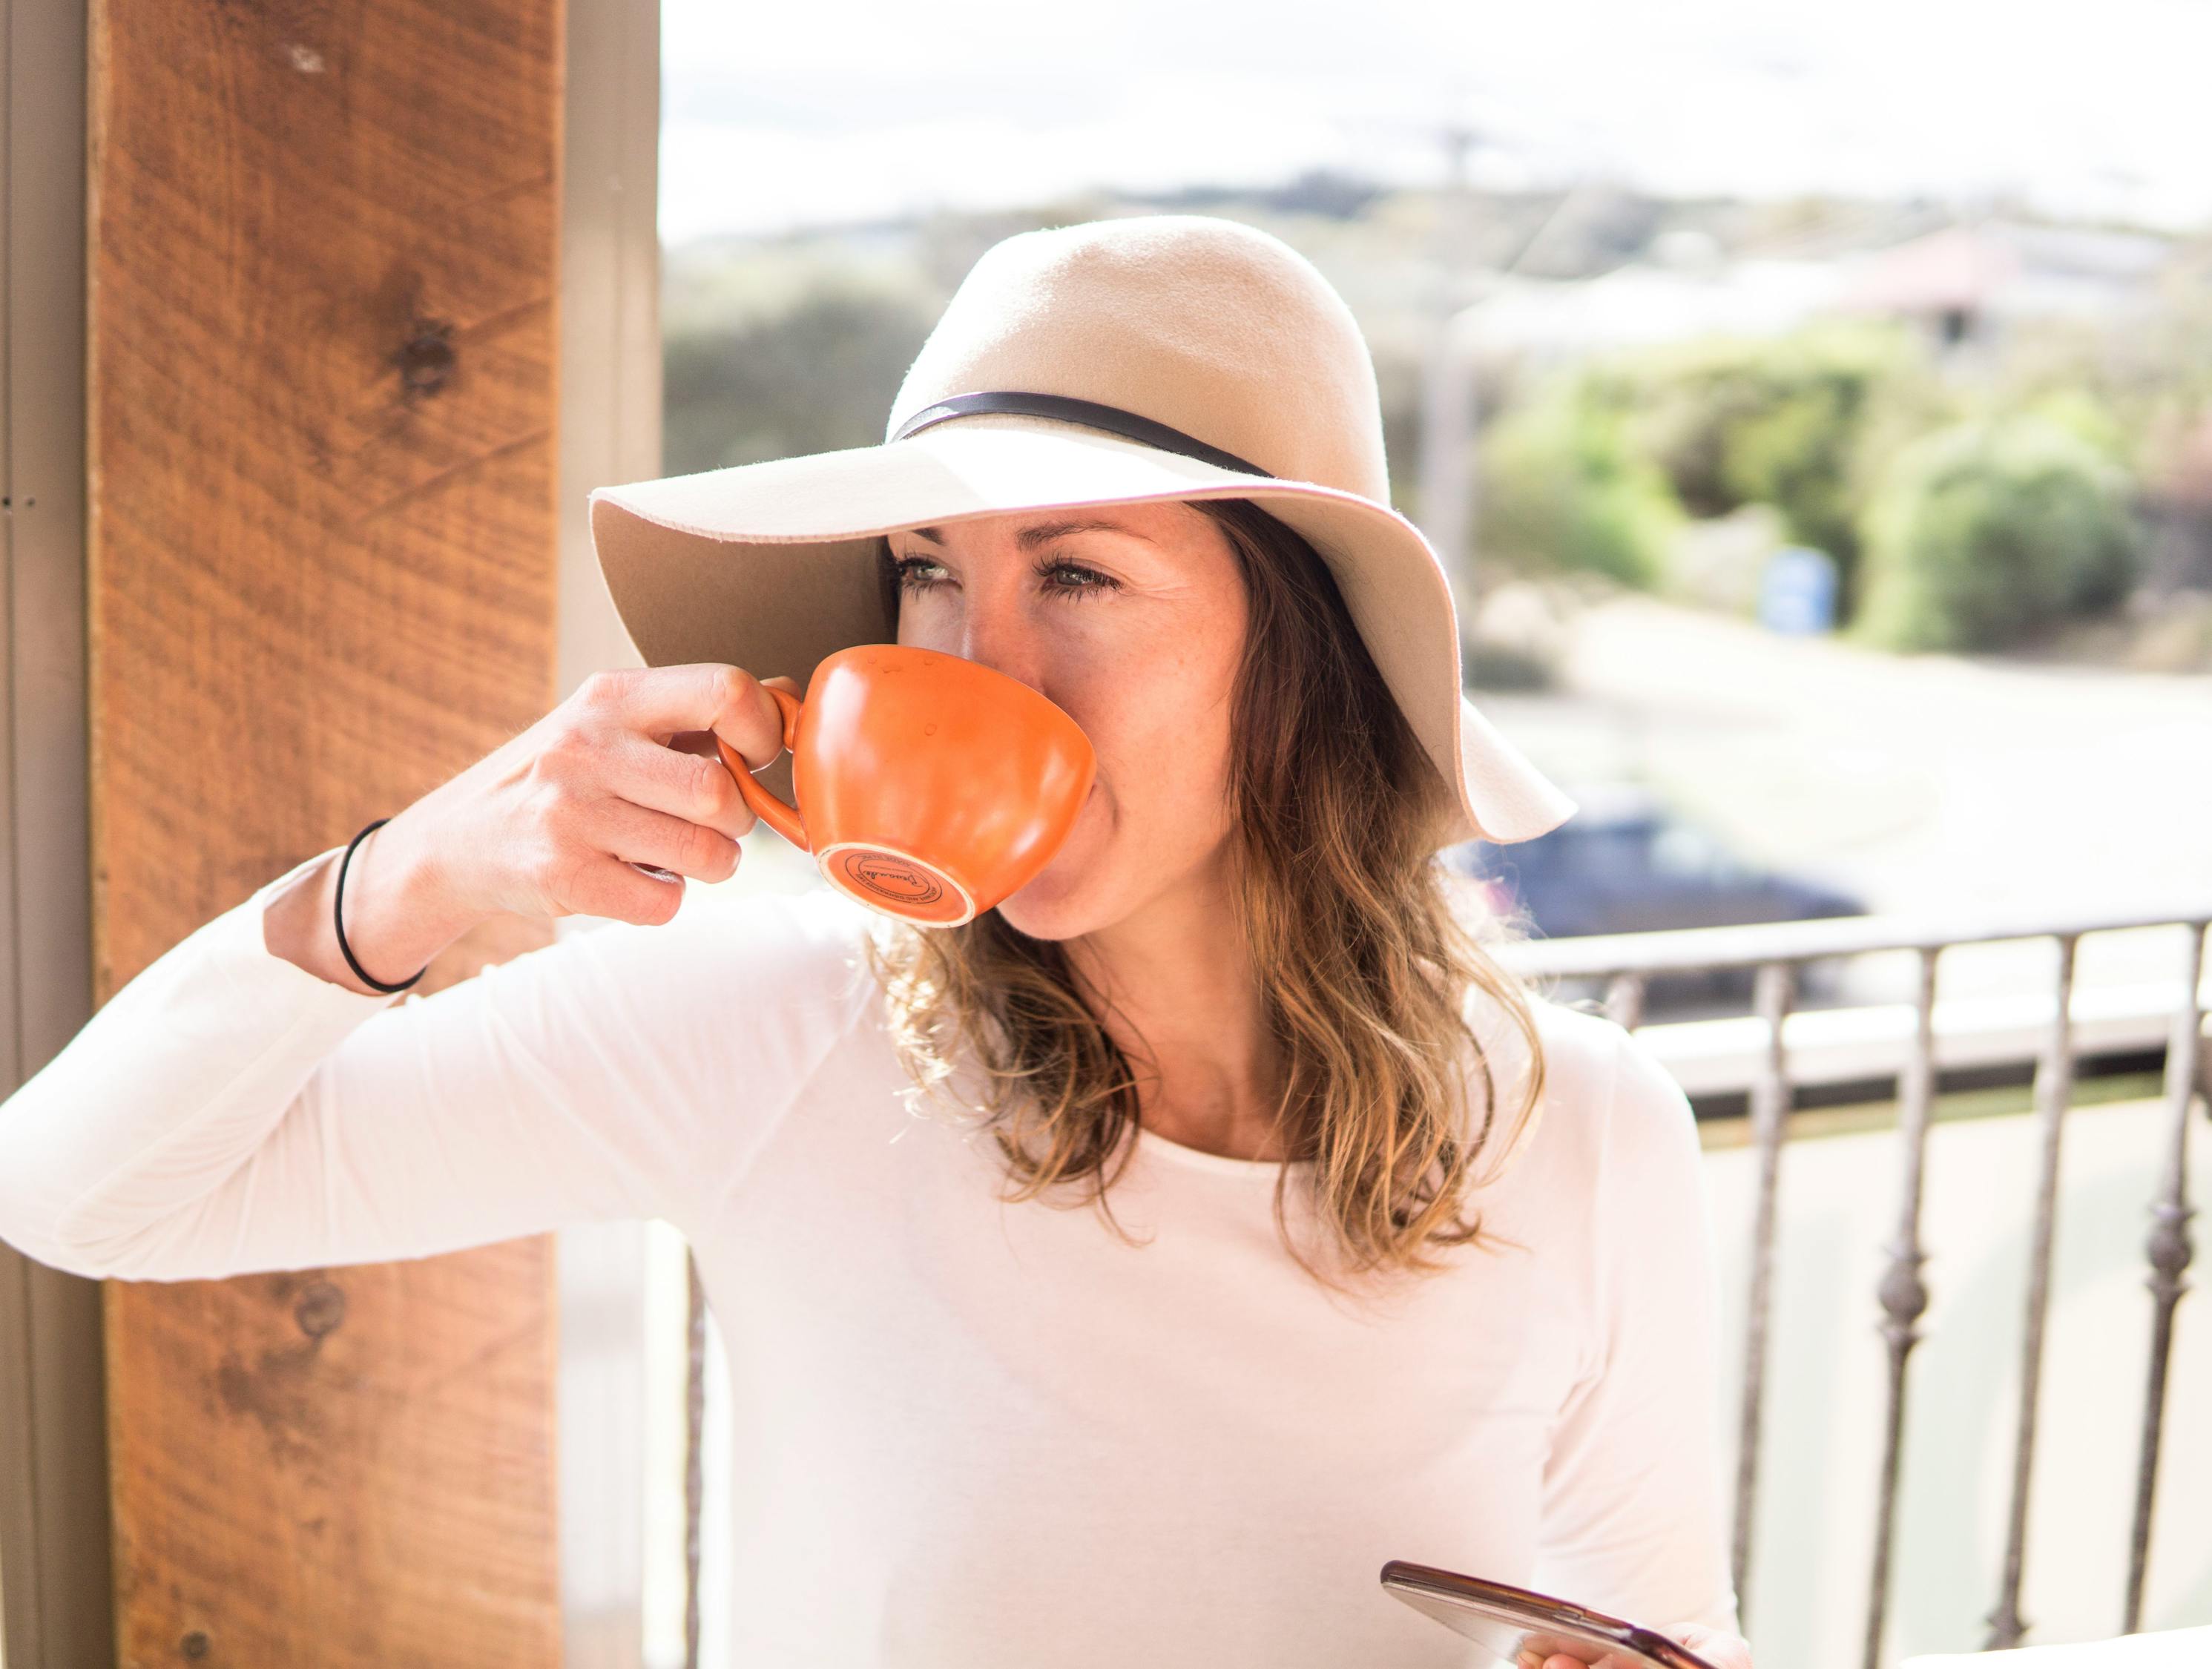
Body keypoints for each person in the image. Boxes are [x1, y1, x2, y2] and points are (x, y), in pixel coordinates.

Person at [0, 214, 1751, 1669]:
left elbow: (1662, 1628)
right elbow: (78, 1195)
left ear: (1300, 662)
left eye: (1074, 576)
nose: (971, 666)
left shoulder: (1577, 1128)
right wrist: (420, 871)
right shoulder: (775, 1028)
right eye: (929, 574)